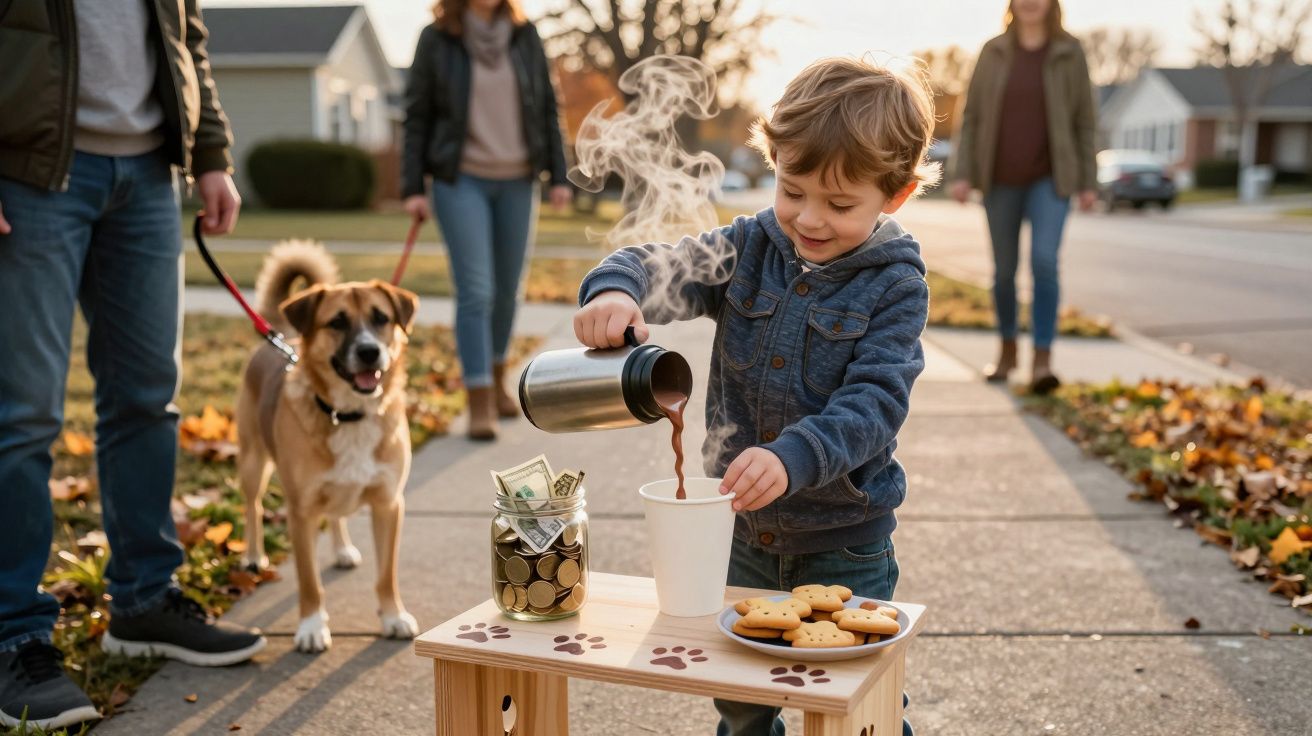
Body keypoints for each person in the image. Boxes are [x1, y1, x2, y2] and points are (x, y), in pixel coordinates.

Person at [574, 57, 935, 736]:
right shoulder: (749, 247)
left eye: (839, 203)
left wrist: (794, 456)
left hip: (844, 542)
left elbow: (875, 403)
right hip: (740, 535)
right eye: (792, 189)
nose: (809, 218)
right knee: (741, 699)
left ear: (898, 195)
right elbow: (660, 264)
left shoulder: (895, 286)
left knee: (855, 700)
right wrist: (615, 288)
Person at [0, 1, 264, 729]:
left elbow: (189, 38)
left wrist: (210, 153)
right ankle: (13, 633)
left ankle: (146, 601)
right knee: (23, 414)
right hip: (29, 172)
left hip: (150, 172)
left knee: (149, 397)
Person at [402, 0, 572, 441]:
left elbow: (548, 106)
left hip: (519, 180)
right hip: (460, 180)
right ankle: (478, 397)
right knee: (476, 291)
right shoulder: (437, 38)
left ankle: (497, 381)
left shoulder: (524, 34)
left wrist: (559, 173)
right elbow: (416, 115)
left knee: (508, 290)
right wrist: (412, 188)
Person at [949, 0, 1097, 393]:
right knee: (1003, 272)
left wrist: (1087, 180)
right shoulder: (993, 51)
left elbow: (1085, 120)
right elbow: (972, 115)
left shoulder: (1070, 52)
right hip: (999, 178)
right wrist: (962, 173)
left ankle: (1043, 360)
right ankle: (1008, 350)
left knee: (1045, 262)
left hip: (1051, 178)